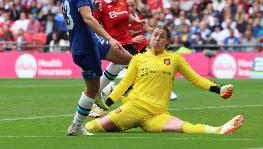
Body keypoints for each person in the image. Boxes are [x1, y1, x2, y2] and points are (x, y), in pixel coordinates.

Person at [85, 25, 244, 134]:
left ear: (167, 41)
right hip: (133, 109)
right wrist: (105, 105)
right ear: (150, 37)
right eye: (155, 35)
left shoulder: (175, 59)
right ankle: (83, 125)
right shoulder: (138, 59)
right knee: (93, 128)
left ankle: (219, 130)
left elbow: (194, 78)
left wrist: (218, 89)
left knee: (182, 126)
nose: (157, 39)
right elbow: (124, 84)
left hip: (157, 114)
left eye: (162, 37)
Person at [60, 0, 132, 136]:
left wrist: (93, 9)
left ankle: (103, 91)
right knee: (90, 90)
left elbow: (76, 16)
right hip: (85, 46)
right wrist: (109, 37)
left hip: (89, 41)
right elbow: (87, 18)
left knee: (130, 60)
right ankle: (76, 126)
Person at [89, 0, 145, 117]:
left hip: (128, 43)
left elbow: (126, 17)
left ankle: (100, 94)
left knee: (118, 73)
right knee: (141, 70)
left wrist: (137, 22)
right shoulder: (101, 5)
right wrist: (94, 11)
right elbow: (94, 24)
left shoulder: (123, 0)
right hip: (115, 45)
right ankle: (108, 97)